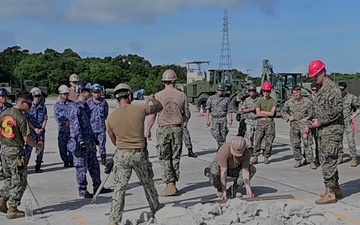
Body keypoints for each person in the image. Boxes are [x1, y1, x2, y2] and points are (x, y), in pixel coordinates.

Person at [107, 83, 164, 225]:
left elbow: (113, 139)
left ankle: (114, 220)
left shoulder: (111, 118)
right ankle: (156, 209)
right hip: (139, 154)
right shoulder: (140, 109)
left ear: (116, 99)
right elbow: (159, 107)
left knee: (119, 189)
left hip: (121, 154)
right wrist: (152, 98)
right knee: (148, 183)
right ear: (130, 96)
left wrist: (122, 145)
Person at [0, 91, 43, 219]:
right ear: (22, 103)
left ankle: (2, 200)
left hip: (5, 150)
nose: (30, 107)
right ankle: (12, 208)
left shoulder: (4, 113)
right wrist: (37, 146)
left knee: (9, 178)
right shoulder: (20, 116)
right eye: (29, 105)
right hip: (16, 152)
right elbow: (26, 138)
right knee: (20, 181)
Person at [146, 69, 189, 196]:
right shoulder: (182, 95)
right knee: (175, 157)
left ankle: (169, 184)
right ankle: (173, 184)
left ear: (164, 81)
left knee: (164, 157)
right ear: (175, 81)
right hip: (177, 128)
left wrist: (148, 129)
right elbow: (187, 114)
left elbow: (153, 115)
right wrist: (184, 122)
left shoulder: (158, 96)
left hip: (163, 128)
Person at [66, 81, 112, 198]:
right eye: (88, 92)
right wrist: (80, 141)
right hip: (80, 143)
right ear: (82, 92)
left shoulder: (86, 106)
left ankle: (98, 186)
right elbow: (76, 126)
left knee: (94, 165)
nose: (91, 94)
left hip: (89, 141)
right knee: (81, 167)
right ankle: (83, 190)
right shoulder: (75, 107)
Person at [308, 59, 344, 205]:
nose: (315, 79)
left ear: (323, 72)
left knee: (328, 160)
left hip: (331, 131)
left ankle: (330, 193)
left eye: (316, 76)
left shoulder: (333, 90)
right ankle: (335, 188)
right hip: (324, 131)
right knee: (327, 160)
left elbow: (336, 111)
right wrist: (309, 118)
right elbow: (319, 109)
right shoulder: (322, 90)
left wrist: (320, 121)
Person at [281, 85, 316, 170]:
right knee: (295, 143)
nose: (296, 94)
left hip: (304, 125)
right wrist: (288, 117)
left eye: (297, 92)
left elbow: (312, 114)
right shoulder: (289, 102)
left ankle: (311, 161)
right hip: (294, 125)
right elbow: (283, 111)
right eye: (294, 93)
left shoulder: (307, 102)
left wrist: (308, 123)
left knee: (307, 143)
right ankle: (298, 160)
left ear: (300, 92)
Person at [251, 81, 277, 165]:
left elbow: (272, 113)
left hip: (270, 123)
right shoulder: (259, 101)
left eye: (268, 91)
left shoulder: (273, 101)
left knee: (269, 141)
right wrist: (267, 113)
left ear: (270, 91)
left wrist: (262, 112)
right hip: (260, 122)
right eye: (264, 91)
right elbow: (258, 113)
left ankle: (266, 156)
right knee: (257, 139)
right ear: (262, 91)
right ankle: (255, 157)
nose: (266, 93)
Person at [25, 87, 48, 173]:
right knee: (28, 150)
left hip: (41, 132)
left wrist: (42, 128)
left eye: (39, 96)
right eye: (36, 96)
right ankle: (24, 167)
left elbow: (45, 118)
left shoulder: (43, 107)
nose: (37, 98)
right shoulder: (28, 107)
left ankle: (38, 166)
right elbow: (27, 120)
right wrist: (34, 129)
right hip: (31, 131)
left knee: (40, 149)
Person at [337, 82, 360, 167]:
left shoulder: (351, 97)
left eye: (342, 89)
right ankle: (340, 156)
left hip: (348, 122)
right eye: (339, 89)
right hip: (338, 123)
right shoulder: (336, 98)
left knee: (350, 140)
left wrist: (353, 115)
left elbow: (358, 107)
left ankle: (353, 157)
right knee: (338, 141)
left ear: (345, 89)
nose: (340, 91)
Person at [205, 83, 233, 148]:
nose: (220, 92)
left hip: (223, 118)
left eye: (222, 91)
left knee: (223, 134)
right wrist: (207, 119)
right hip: (215, 118)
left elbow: (229, 110)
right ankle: (221, 145)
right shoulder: (211, 98)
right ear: (216, 90)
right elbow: (207, 109)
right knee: (215, 133)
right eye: (219, 90)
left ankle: (221, 148)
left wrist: (231, 119)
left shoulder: (227, 99)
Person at [87, 83, 109, 165]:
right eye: (95, 92)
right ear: (92, 93)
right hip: (91, 129)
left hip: (101, 128)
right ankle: (93, 159)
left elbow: (105, 114)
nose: (96, 94)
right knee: (92, 146)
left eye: (98, 92)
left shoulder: (103, 103)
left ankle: (103, 158)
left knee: (102, 145)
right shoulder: (88, 103)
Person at [54, 85, 74, 167]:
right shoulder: (57, 106)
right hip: (62, 129)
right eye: (63, 94)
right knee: (62, 147)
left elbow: (75, 115)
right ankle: (65, 161)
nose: (65, 96)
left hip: (72, 129)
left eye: (66, 94)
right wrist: (65, 123)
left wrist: (72, 123)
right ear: (60, 94)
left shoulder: (72, 104)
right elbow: (58, 117)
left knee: (72, 146)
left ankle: (71, 161)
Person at [175, 85, 197, 158]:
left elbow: (187, 112)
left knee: (186, 136)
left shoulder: (183, 99)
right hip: (173, 121)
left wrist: (186, 120)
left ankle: (190, 151)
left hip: (181, 121)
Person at [240, 84, 259, 153]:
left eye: (253, 91)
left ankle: (256, 148)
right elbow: (243, 110)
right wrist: (251, 109)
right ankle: (250, 148)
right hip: (249, 120)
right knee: (249, 136)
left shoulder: (259, 100)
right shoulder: (246, 100)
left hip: (257, 120)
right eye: (250, 91)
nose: (251, 92)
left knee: (257, 136)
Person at [0, 88, 13, 175]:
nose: (4, 98)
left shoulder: (10, 107)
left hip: (7, 133)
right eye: (2, 96)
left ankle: (5, 169)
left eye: (5, 96)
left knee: (6, 152)